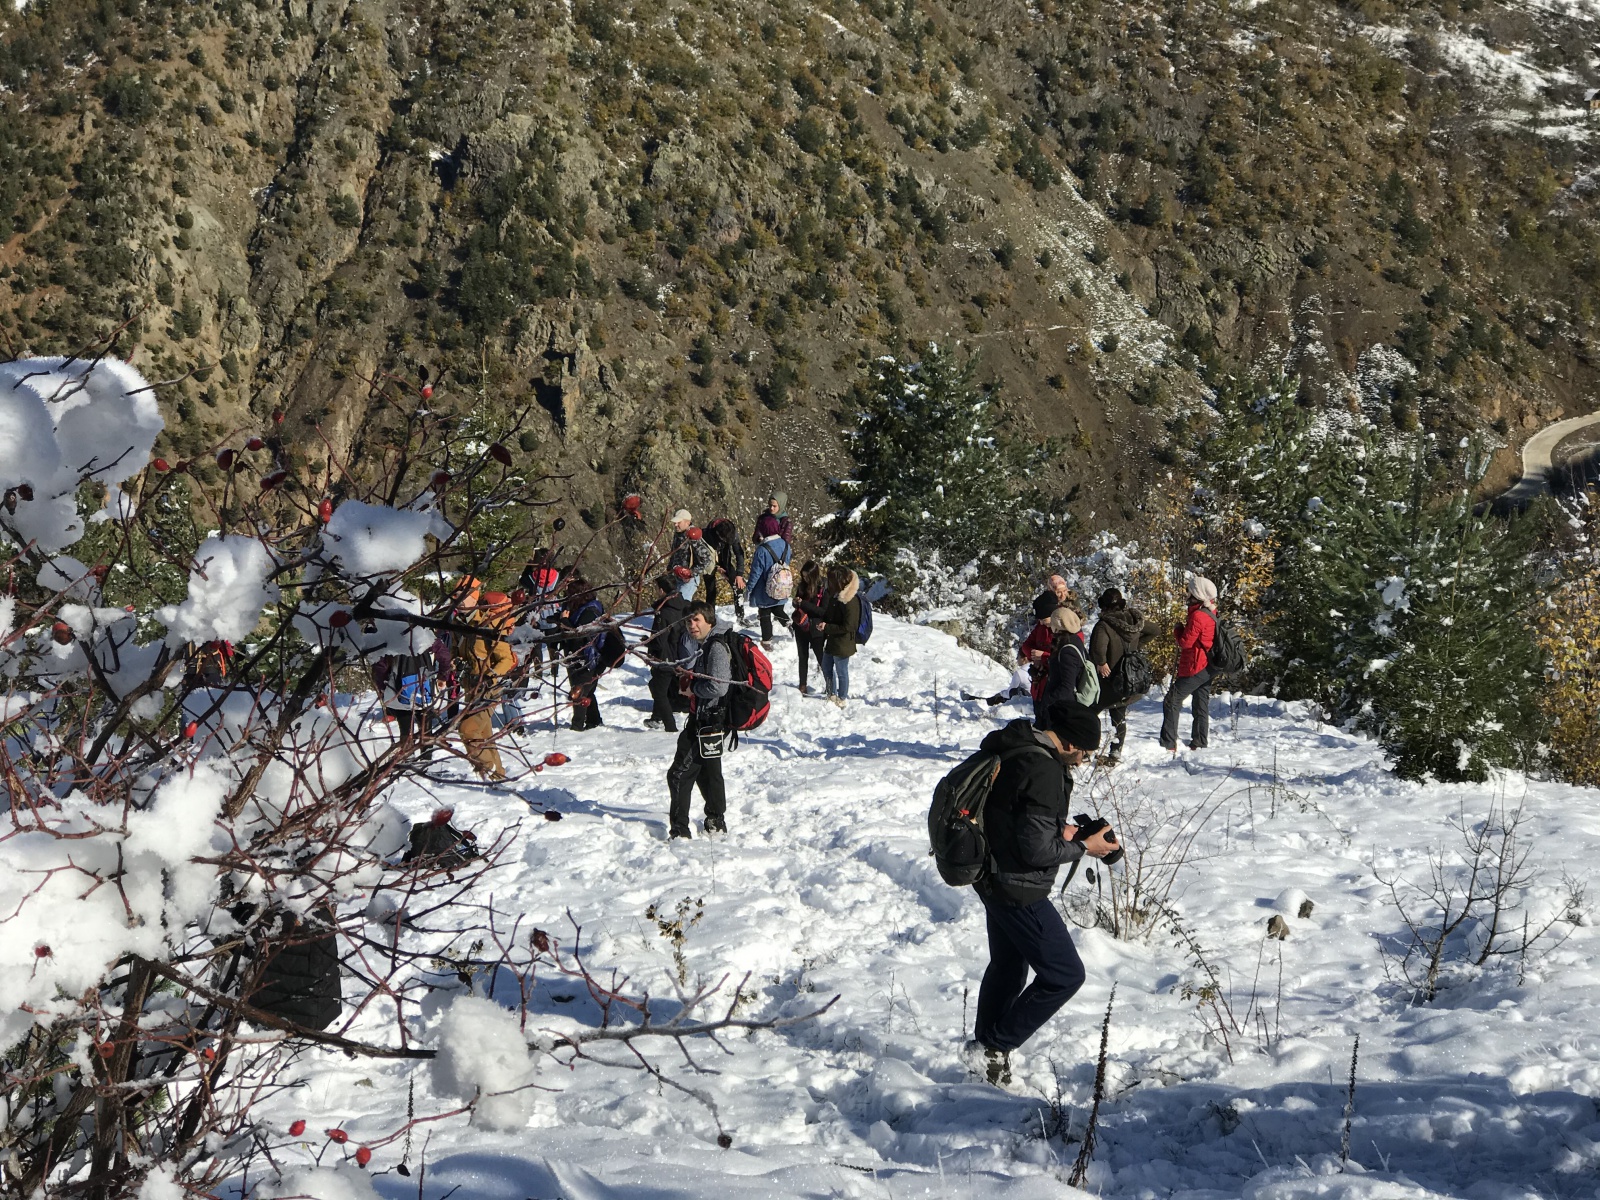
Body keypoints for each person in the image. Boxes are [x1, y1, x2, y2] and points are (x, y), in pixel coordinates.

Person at [965, 702, 1117, 1086]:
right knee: (1065, 975)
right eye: (1083, 752)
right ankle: (995, 1046)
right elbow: (1036, 851)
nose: (1082, 761)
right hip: (1018, 888)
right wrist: (1086, 848)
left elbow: (1019, 820)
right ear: (1068, 743)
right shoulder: (1045, 769)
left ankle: (985, 1050)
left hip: (989, 874)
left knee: (1008, 965)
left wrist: (1065, 832)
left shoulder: (1015, 747)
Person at [666, 602, 734, 839]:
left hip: (707, 721)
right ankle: (716, 820)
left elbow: (719, 686)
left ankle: (680, 831)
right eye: (688, 621)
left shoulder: (715, 646)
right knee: (709, 772)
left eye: (696, 620)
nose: (692, 626)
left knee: (678, 774)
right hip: (710, 719)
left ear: (709, 621)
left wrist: (693, 688)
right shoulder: (708, 644)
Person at [1089, 588, 1159, 765]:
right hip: (1129, 678)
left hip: (1109, 679)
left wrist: (1101, 662)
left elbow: (1098, 648)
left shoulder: (1104, 625)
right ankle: (1115, 752)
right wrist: (1136, 647)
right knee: (1118, 715)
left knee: (1089, 713)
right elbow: (1155, 630)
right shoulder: (1135, 621)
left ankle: (1086, 747)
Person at [454, 591, 517, 780]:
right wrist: (455, 661)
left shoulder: (488, 624)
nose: (456, 599)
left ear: (474, 598)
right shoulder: (459, 624)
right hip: (470, 686)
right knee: (483, 733)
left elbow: (505, 659)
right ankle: (498, 775)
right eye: (454, 595)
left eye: (461, 595)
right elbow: (456, 651)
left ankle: (486, 768)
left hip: (489, 689)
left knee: (468, 730)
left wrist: (491, 677)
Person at [1161, 576, 1218, 752]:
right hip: (1209, 666)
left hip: (1196, 665)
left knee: (1172, 700)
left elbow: (1186, 642)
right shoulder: (1211, 612)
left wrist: (1178, 630)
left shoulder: (1198, 616)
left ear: (1197, 594)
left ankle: (1168, 743)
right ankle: (1199, 741)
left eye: (1190, 592)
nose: (1188, 595)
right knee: (1201, 703)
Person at [373, 636, 451, 760]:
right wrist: (442, 676)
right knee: (426, 730)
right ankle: (426, 760)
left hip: (399, 692)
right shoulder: (424, 634)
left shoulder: (391, 636)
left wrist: (382, 686)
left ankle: (407, 760)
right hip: (425, 691)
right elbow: (444, 655)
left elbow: (380, 666)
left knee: (405, 731)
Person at [793, 564, 860, 708]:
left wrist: (825, 625)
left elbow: (849, 625)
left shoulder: (849, 600)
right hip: (831, 638)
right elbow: (829, 614)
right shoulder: (835, 595)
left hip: (842, 642)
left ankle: (841, 697)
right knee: (826, 666)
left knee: (841, 671)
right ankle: (831, 693)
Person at [987, 591, 1061, 707]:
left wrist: (1043, 656)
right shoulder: (1041, 627)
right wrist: (1035, 656)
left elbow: (1063, 657)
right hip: (1040, 678)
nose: (1041, 622)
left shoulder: (1062, 630)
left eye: (1043, 619)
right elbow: (1026, 646)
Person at [556, 576, 609, 731]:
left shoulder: (590, 612)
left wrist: (564, 622)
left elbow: (579, 636)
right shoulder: (578, 608)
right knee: (587, 691)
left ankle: (577, 726)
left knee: (579, 692)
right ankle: (594, 720)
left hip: (588, 658)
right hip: (578, 657)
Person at [645, 574, 694, 731]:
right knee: (662, 686)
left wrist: (649, 642)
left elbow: (660, 640)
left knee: (658, 690)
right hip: (682, 654)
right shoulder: (686, 605)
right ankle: (656, 717)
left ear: (661, 590)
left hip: (666, 657)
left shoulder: (664, 612)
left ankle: (669, 726)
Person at [1035, 608, 1087, 732]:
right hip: (1061, 706)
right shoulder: (1074, 640)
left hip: (1061, 709)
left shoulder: (1067, 649)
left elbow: (1067, 686)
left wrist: (1047, 702)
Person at [744, 527, 792, 648]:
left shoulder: (762, 549)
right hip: (782, 585)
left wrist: (749, 588)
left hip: (765, 589)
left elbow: (756, 572)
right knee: (778, 609)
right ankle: (789, 624)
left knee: (764, 614)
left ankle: (767, 641)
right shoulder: (786, 545)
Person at [791, 560, 828, 696]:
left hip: (816, 627)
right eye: (803, 576)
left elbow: (823, 611)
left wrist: (804, 604)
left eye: (807, 577)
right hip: (801, 625)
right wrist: (796, 603)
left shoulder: (823, 587)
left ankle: (830, 685)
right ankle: (802, 684)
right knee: (802, 656)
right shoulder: (802, 586)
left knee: (821, 657)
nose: (805, 579)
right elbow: (798, 601)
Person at [704, 518, 747, 621]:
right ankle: (711, 618)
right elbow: (703, 557)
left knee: (738, 586)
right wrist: (716, 568)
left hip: (725, 560)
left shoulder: (733, 533)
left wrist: (739, 574)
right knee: (711, 591)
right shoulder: (706, 534)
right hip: (709, 562)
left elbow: (739, 554)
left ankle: (740, 617)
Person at [667, 510, 713, 602]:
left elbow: (707, 558)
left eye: (678, 522)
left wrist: (691, 573)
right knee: (676, 605)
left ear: (687, 522)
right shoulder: (678, 534)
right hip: (677, 578)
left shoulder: (692, 536)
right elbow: (674, 554)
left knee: (681, 606)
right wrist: (670, 570)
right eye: (675, 522)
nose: (676, 525)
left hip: (689, 581)